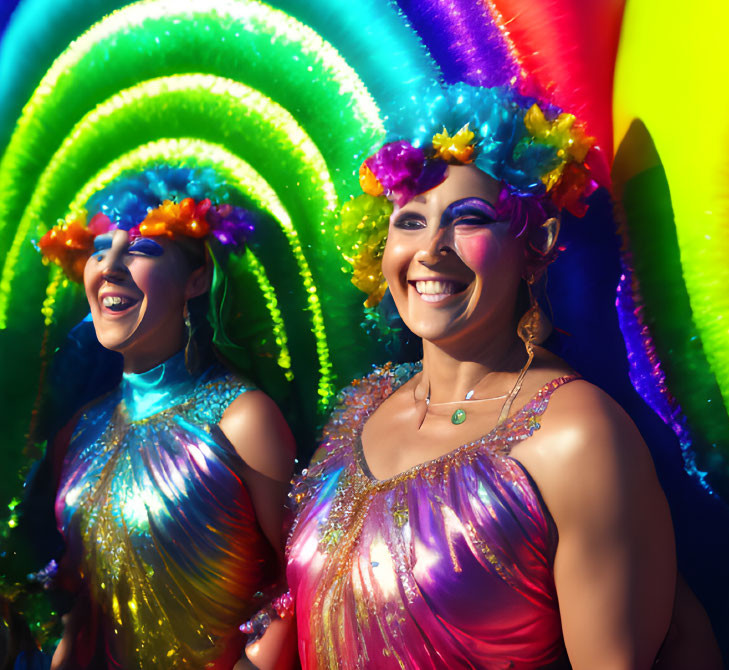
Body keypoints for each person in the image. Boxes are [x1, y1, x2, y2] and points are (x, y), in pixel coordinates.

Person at [245, 81, 688, 670]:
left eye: (469, 219)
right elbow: (299, 610)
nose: (431, 248)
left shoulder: (575, 436)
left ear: (533, 249)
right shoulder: (362, 407)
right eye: (408, 222)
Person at [34, 166, 294, 670]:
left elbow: (306, 575)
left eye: (139, 249)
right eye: (99, 249)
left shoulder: (241, 420)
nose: (109, 267)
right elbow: (74, 599)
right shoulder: (79, 429)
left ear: (196, 279)